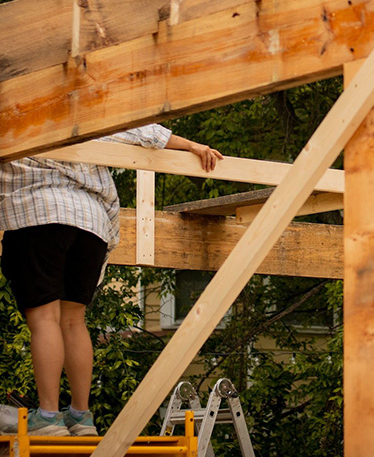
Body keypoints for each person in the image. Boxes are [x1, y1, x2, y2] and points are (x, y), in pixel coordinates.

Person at [0, 125, 222, 436]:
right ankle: (81, 416)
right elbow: (142, 131)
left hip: (38, 214)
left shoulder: (18, 111)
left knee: (44, 319)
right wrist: (192, 145)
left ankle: (48, 417)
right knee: (74, 321)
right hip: (91, 223)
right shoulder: (83, 113)